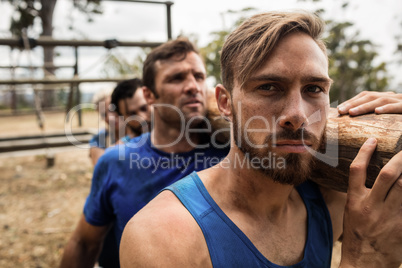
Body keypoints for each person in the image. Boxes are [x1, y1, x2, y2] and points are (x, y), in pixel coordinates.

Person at [120, 11, 402, 267]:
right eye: (269, 87)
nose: (298, 114)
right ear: (225, 103)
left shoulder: (331, 201)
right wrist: (363, 261)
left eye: (314, 88)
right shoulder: (163, 236)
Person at [59, 38, 229, 268]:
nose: (193, 86)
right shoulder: (117, 162)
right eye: (176, 78)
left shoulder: (231, 154)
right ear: (149, 96)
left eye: (199, 76)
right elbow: (84, 243)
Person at [87, 79, 152, 268]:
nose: (110, 116)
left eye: (111, 110)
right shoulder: (102, 141)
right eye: (104, 113)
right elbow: (104, 174)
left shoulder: (146, 132)